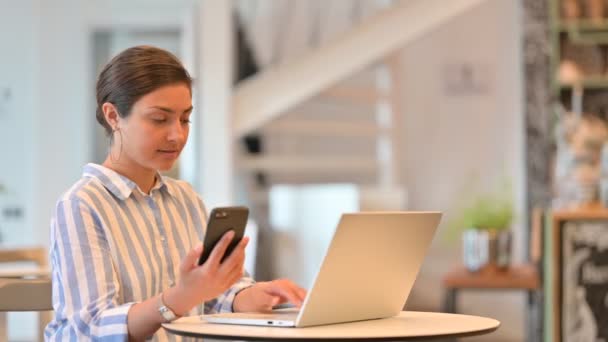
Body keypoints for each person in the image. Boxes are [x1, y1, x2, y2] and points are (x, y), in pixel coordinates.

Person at [45, 45, 306, 341]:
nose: (177, 135)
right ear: (113, 116)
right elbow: (88, 330)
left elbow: (210, 299)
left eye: (184, 119)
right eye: (159, 119)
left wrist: (250, 296)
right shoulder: (81, 205)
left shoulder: (185, 199)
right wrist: (178, 298)